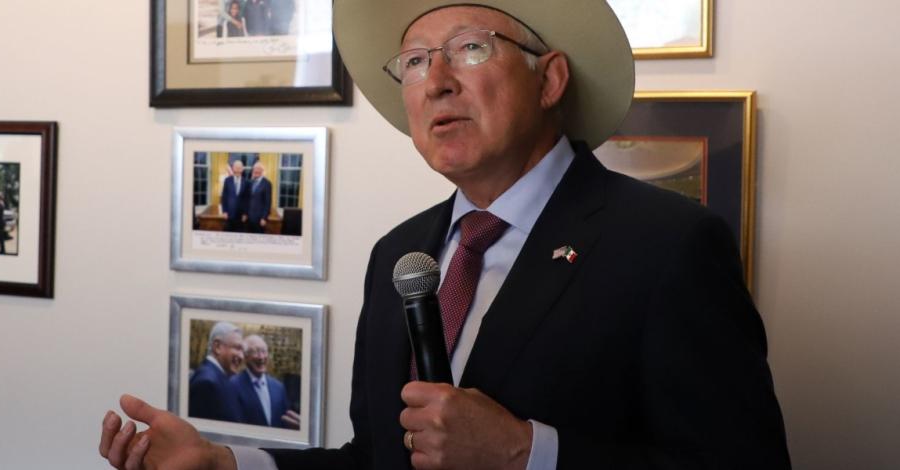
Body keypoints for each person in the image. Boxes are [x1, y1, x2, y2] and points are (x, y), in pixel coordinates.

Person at [100, 1, 791, 469]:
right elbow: (376, 457)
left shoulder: (668, 245)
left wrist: (528, 452)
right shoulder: (400, 256)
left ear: (549, 79)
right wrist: (230, 463)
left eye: (468, 49)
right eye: (416, 61)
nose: (436, 82)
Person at [232, 335, 299, 429]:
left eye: (264, 351)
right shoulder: (232, 386)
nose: (261, 357)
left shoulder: (279, 387)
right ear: (245, 357)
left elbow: (285, 422)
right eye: (255, 352)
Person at [188, 322, 245, 422]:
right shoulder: (206, 383)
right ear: (217, 347)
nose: (241, 356)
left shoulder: (217, 378)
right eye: (237, 348)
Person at [220, 160, 251, 232]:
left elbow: (248, 199)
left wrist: (245, 214)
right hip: (229, 215)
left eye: (239, 167)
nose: (237, 169)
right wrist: (224, 211)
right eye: (236, 167)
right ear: (233, 168)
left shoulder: (247, 182)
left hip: (241, 216)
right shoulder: (227, 180)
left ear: (242, 169)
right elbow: (224, 197)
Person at [245, 163, 272, 234]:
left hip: (259, 219)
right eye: (254, 169)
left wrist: (264, 218)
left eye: (258, 169)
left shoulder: (267, 183)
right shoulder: (250, 182)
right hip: (249, 218)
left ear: (262, 171)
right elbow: (247, 199)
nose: (256, 171)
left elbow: (268, 202)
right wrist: (245, 214)